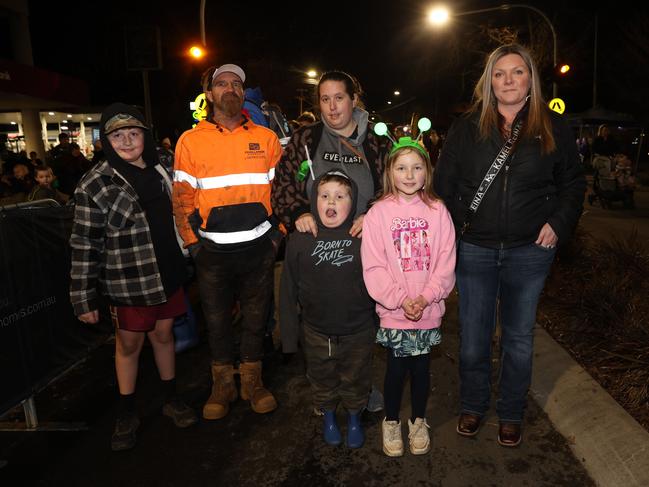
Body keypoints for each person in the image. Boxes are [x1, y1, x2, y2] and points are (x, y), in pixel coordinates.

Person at [434, 44, 586, 447]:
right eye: (499, 74)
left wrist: (559, 222)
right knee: (473, 337)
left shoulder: (553, 125)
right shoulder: (467, 127)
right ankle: (473, 403)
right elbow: (444, 186)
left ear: (529, 79)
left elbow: (573, 183)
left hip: (529, 251)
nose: (508, 81)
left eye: (516, 72)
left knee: (518, 338)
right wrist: (451, 234)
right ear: (489, 81)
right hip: (476, 249)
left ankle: (511, 412)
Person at [69, 103, 198, 452]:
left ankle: (170, 397)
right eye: (118, 134)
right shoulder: (95, 184)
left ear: (145, 135)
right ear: (106, 140)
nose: (127, 140)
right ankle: (126, 411)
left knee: (164, 334)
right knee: (128, 344)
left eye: (134, 132)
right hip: (130, 280)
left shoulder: (163, 168)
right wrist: (83, 297)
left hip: (168, 270)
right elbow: (84, 243)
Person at [271, 70, 390, 413]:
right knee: (321, 321)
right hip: (319, 247)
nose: (332, 106)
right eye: (325, 99)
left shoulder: (377, 140)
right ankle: (326, 389)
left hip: (366, 244)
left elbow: (397, 187)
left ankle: (361, 387)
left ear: (354, 100)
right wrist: (297, 213)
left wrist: (375, 215)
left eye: (339, 98)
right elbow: (284, 184)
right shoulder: (306, 139)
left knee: (362, 324)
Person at [172, 63, 283, 420]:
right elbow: (182, 198)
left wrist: (276, 238)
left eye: (236, 83)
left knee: (255, 319)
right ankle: (222, 385)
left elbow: (282, 193)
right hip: (212, 253)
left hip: (258, 249)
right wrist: (193, 245)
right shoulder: (190, 141)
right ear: (210, 94)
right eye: (222, 84)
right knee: (217, 323)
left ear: (243, 92)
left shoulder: (265, 139)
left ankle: (252, 381)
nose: (230, 88)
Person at [361, 137, 456, 457]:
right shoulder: (378, 213)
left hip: (428, 309)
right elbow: (373, 265)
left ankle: (418, 420)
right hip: (395, 310)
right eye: (401, 167)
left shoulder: (438, 211)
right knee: (396, 367)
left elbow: (446, 260)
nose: (410, 174)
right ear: (390, 172)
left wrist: (427, 297)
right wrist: (401, 300)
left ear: (427, 172)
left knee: (421, 368)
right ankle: (391, 421)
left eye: (417, 167)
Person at [280, 171, 375, 448]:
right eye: (324, 195)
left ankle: (355, 418)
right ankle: (330, 417)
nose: (331, 201)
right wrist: (288, 338)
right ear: (314, 200)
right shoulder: (300, 240)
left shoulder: (363, 237)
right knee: (321, 378)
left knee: (357, 377)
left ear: (353, 201)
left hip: (358, 329)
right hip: (316, 331)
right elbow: (287, 290)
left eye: (340, 196)